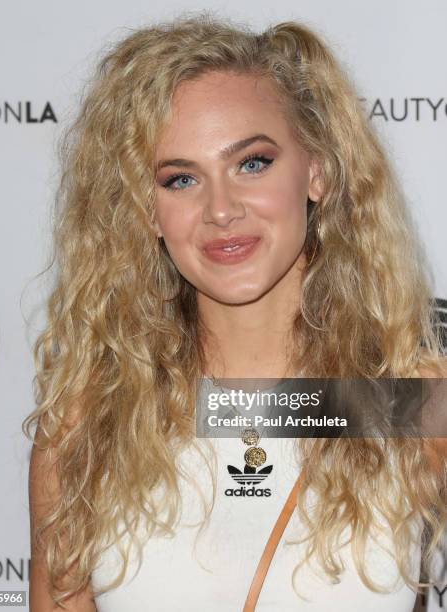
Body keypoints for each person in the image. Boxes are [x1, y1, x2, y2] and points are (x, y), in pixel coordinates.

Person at [23, 11, 447, 612]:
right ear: (145, 212)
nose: (221, 209)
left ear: (317, 170)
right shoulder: (89, 424)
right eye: (179, 179)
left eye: (252, 163)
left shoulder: (418, 404)